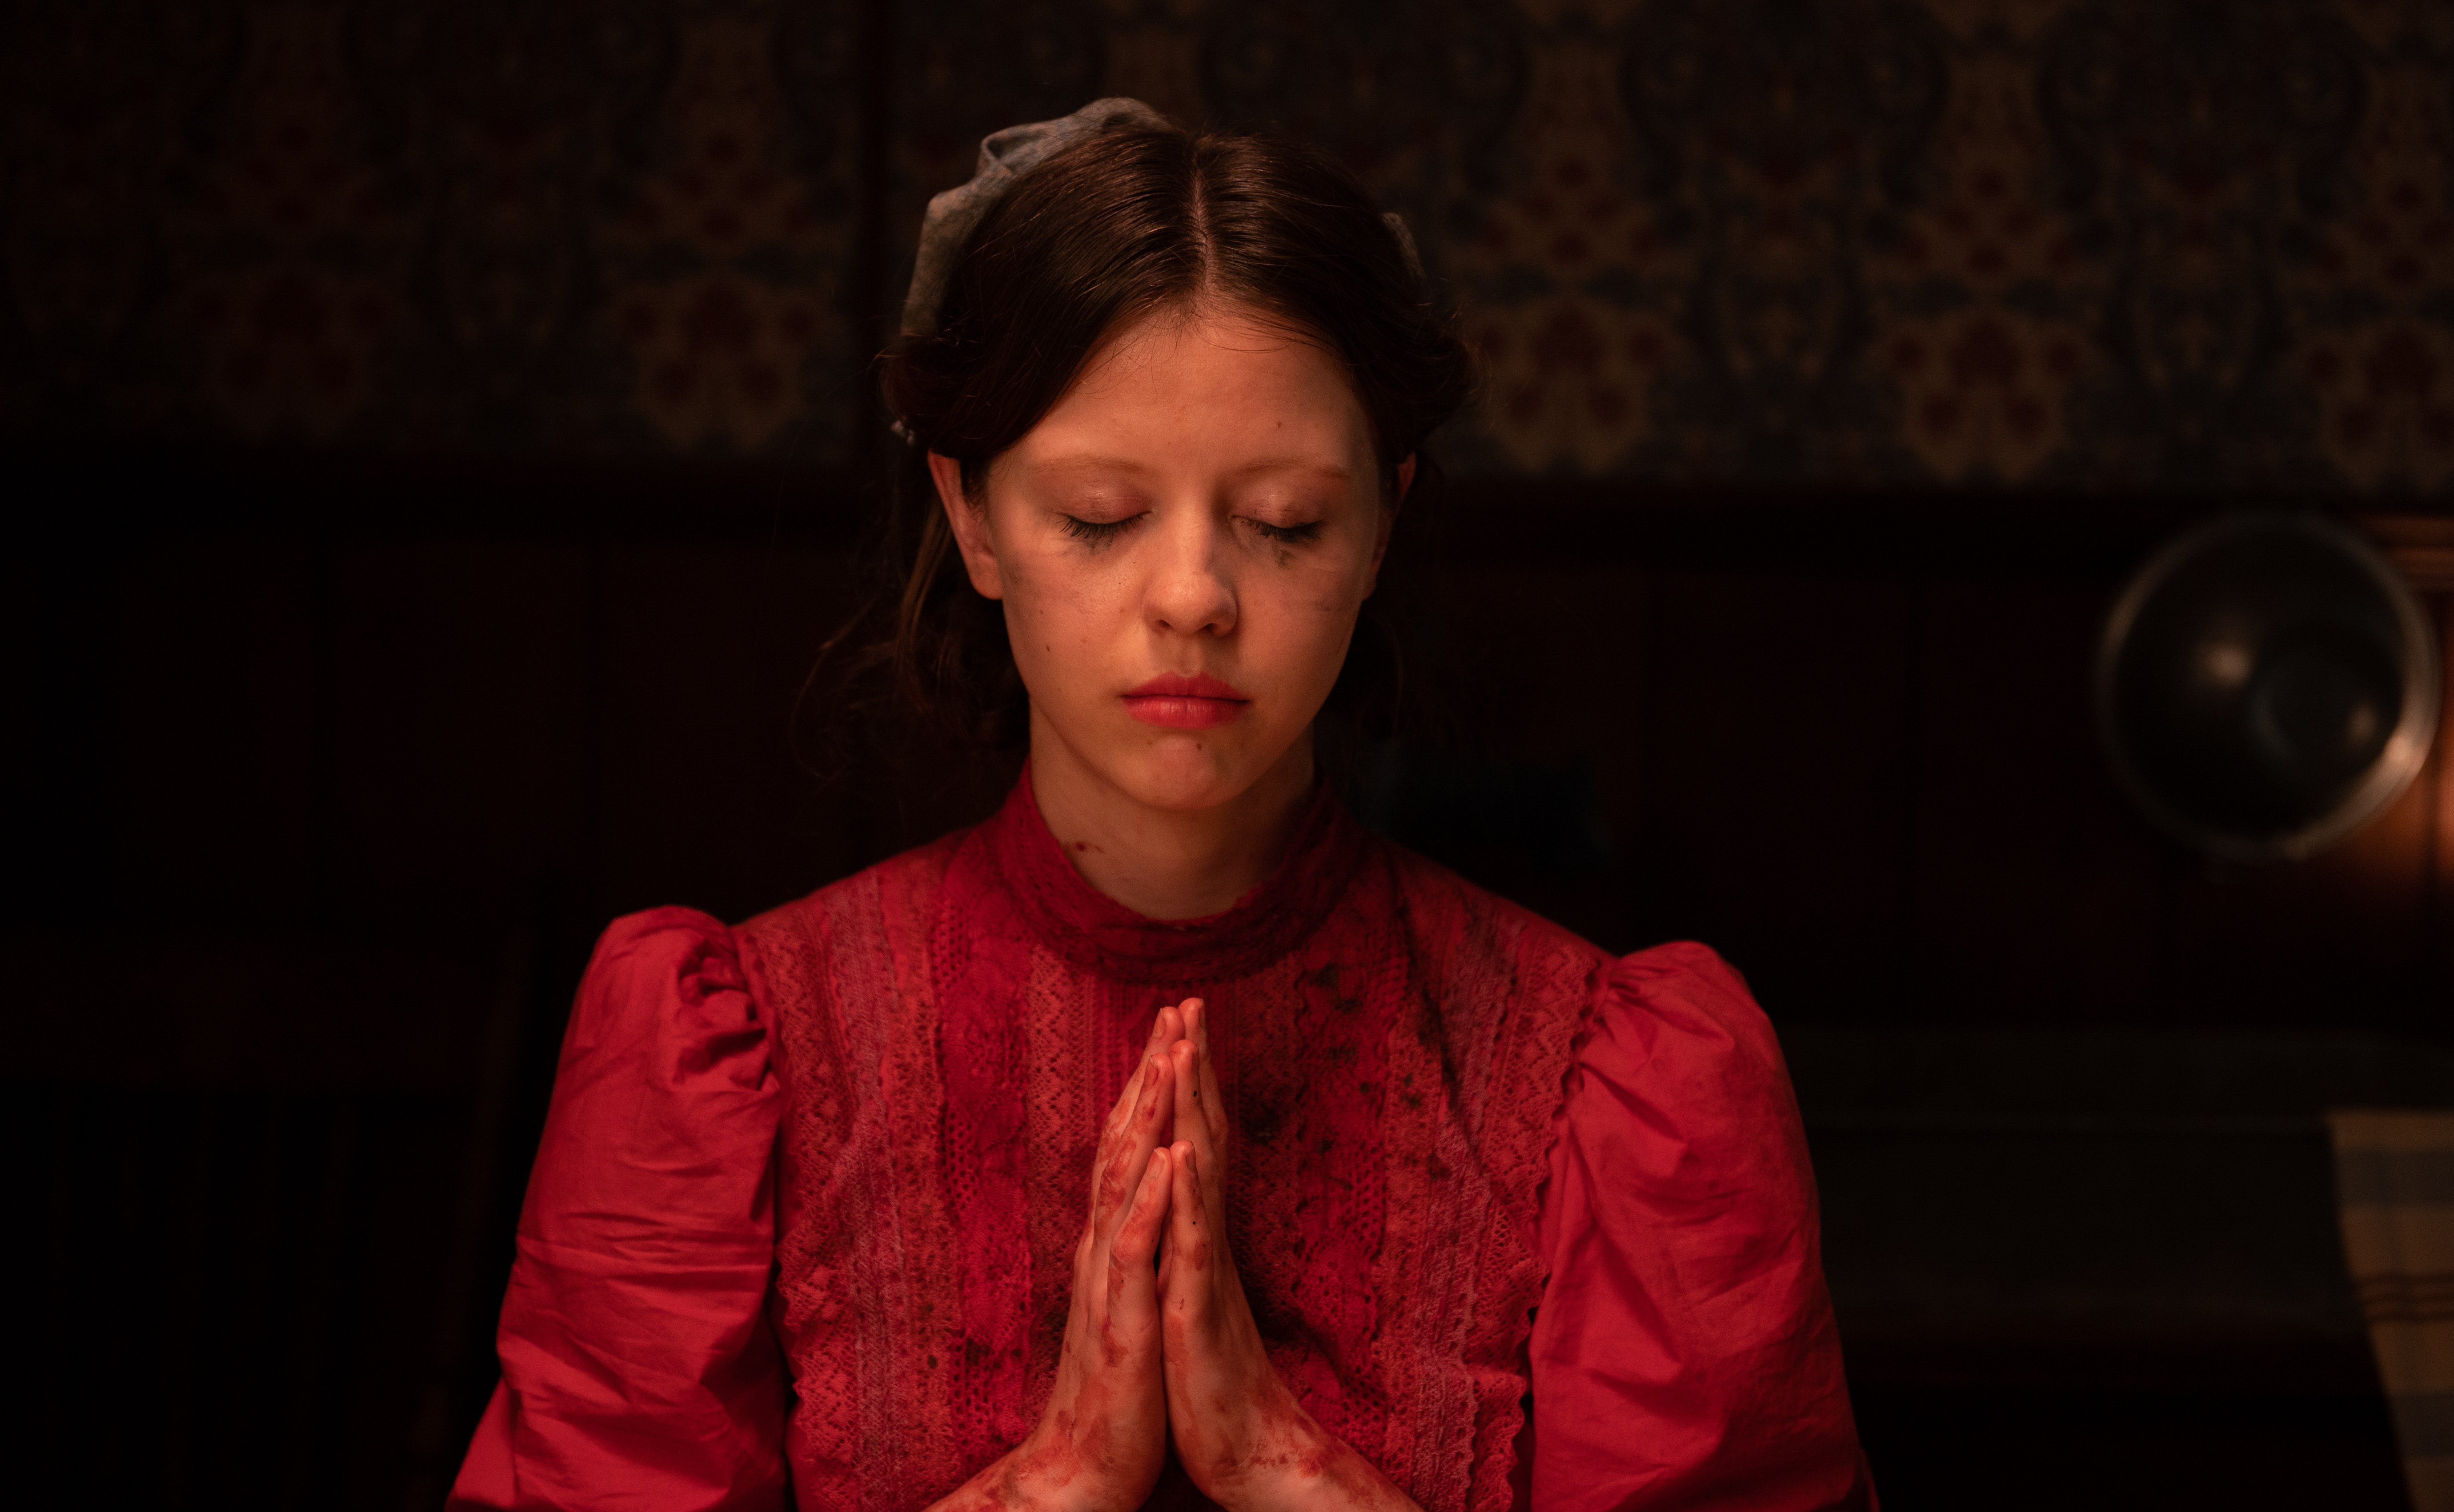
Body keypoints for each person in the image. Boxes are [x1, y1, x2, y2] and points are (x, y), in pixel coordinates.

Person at [448, 100, 1873, 1512]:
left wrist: (1288, 1465)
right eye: (1102, 513)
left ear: (1384, 521)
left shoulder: (1616, 1088)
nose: (1193, 595)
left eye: (1286, 521)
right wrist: (1053, 1484)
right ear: (973, 518)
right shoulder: (727, 1059)